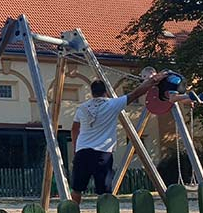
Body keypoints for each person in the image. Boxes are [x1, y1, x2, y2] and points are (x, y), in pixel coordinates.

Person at [70, 72, 168, 204]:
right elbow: (136, 93)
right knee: (104, 192)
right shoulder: (113, 104)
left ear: (92, 93)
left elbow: (74, 128)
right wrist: (154, 80)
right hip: (102, 153)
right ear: (105, 92)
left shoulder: (81, 108)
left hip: (82, 152)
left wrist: (76, 148)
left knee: (77, 189)